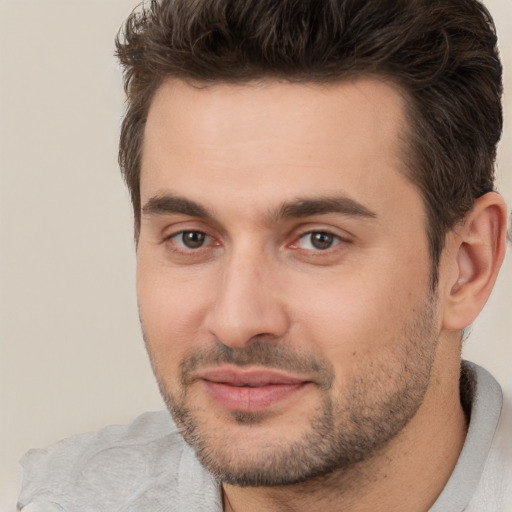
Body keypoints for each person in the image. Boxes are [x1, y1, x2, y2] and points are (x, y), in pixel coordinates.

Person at [17, 0, 511, 510]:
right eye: (191, 238)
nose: (236, 322)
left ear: (466, 266)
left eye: (320, 239)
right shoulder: (64, 497)